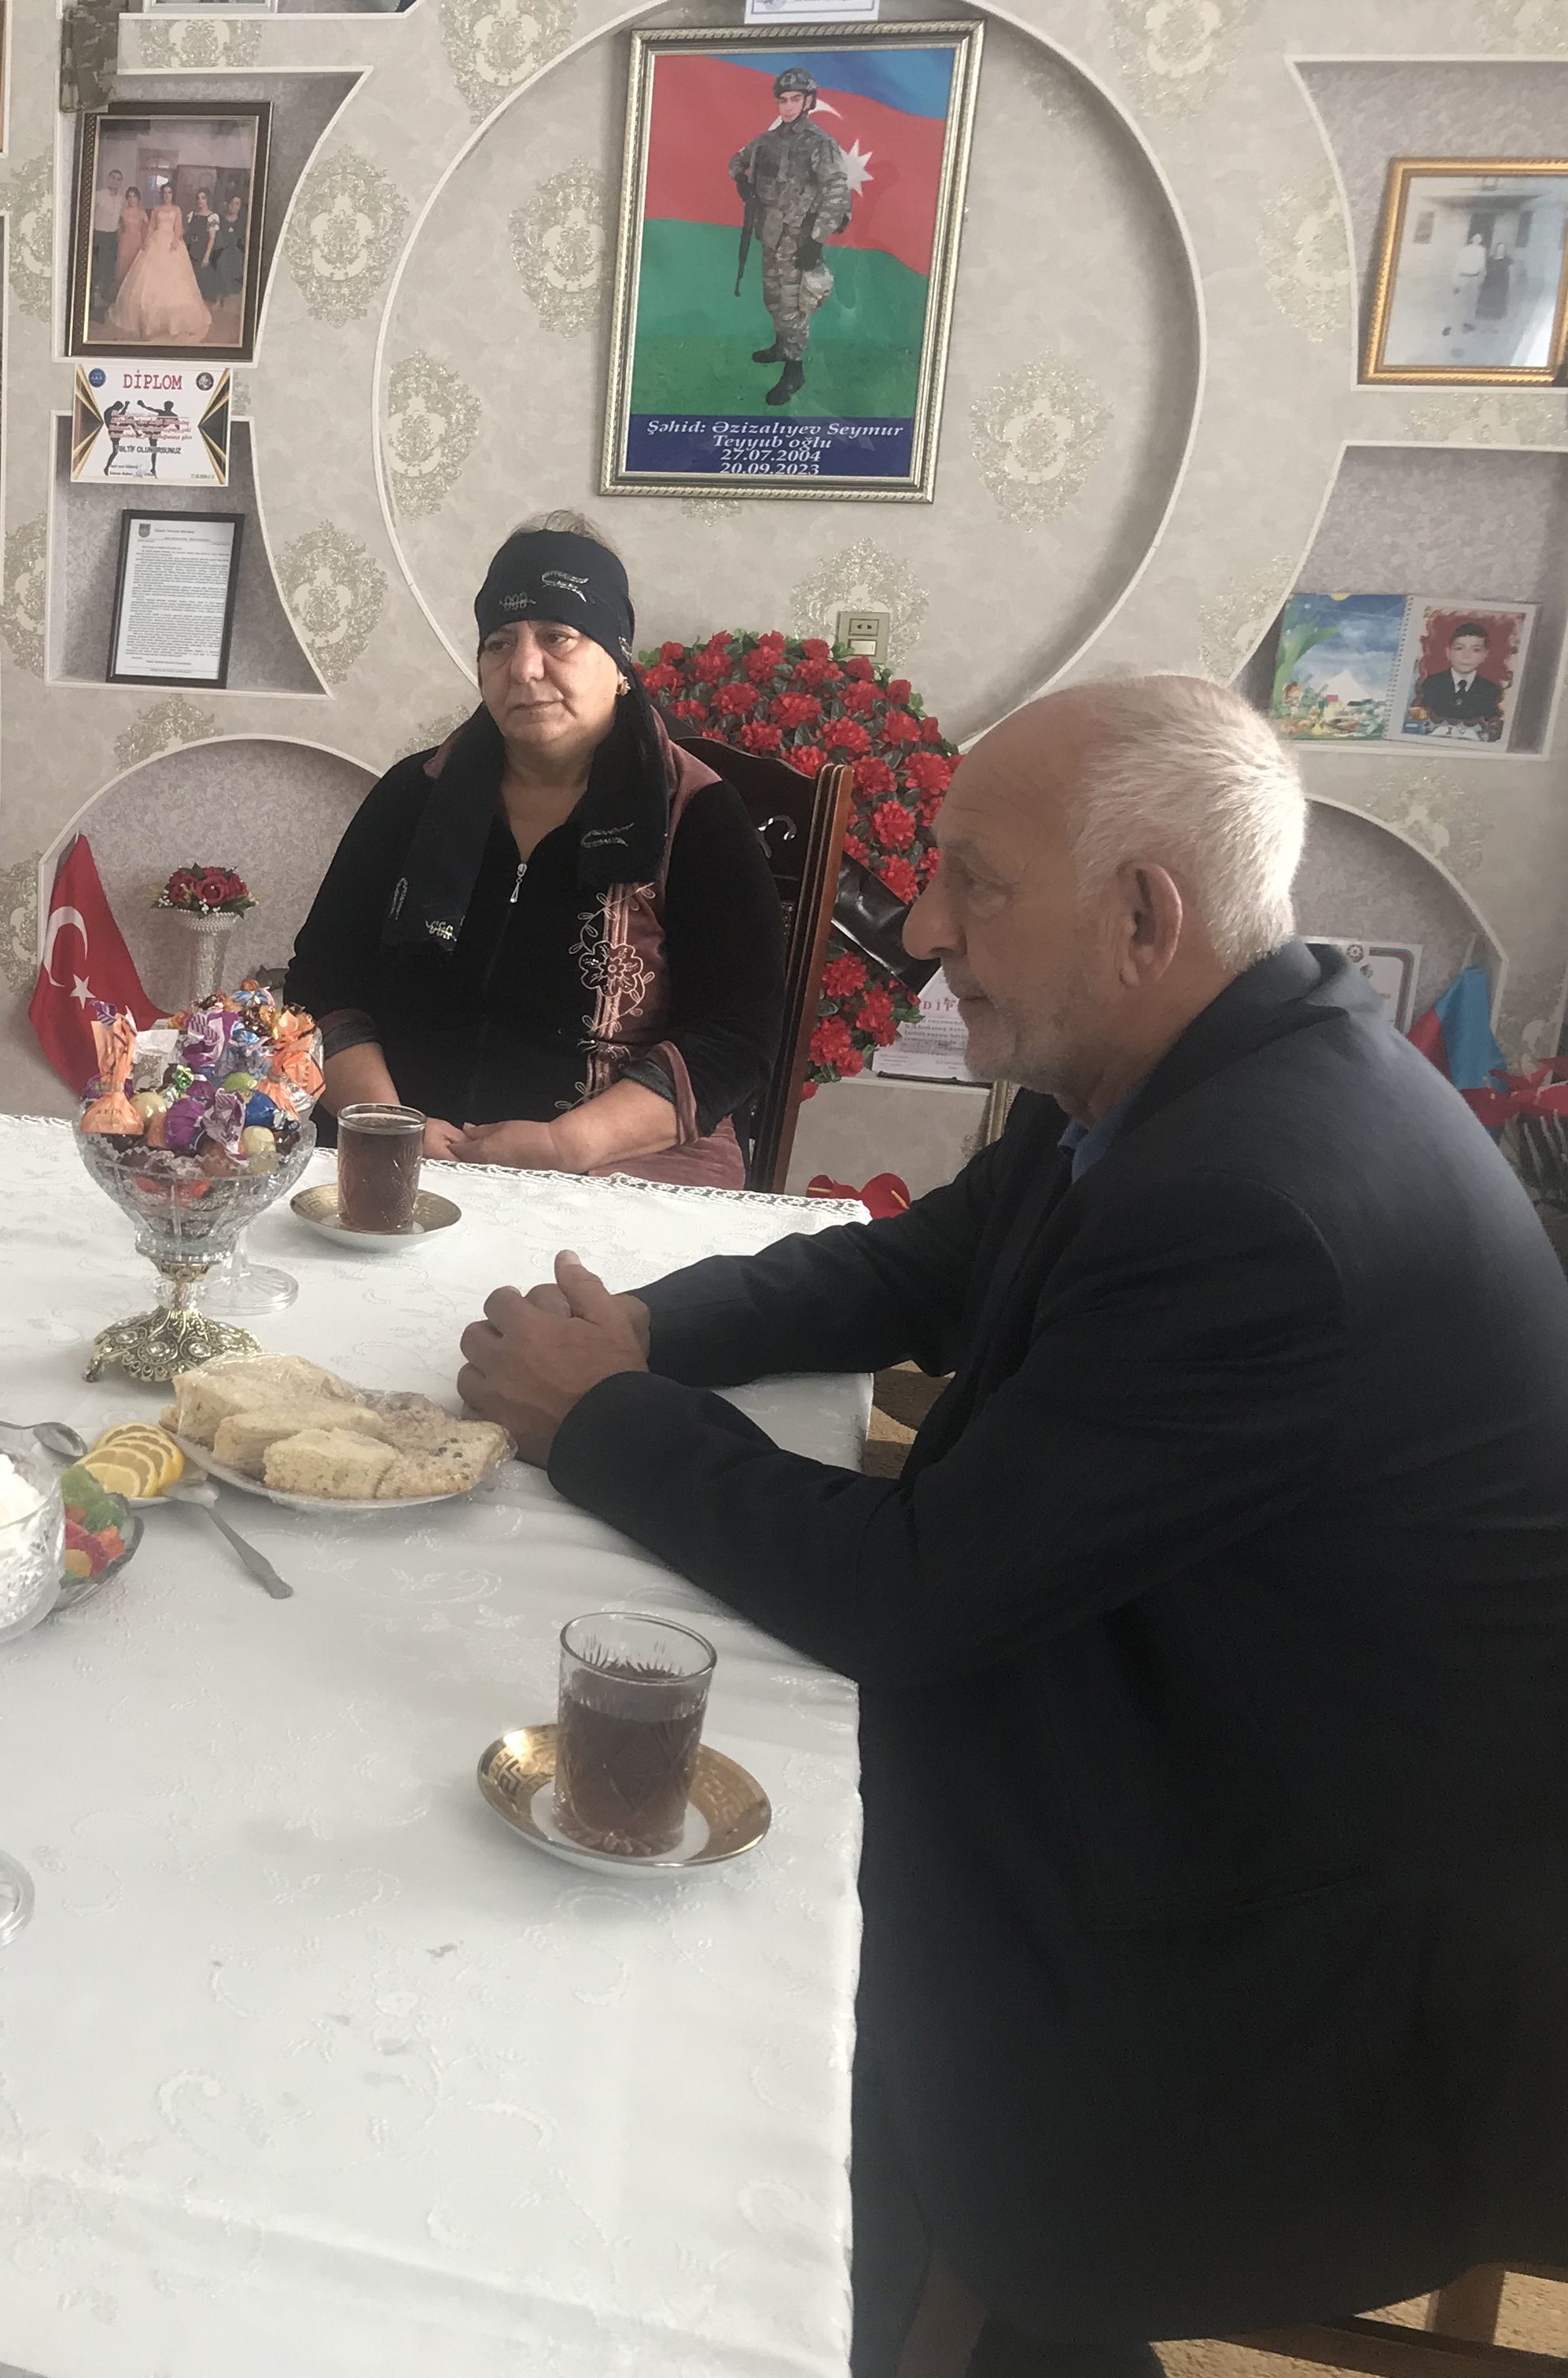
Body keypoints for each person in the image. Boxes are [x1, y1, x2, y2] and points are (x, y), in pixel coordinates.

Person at [455, 675, 1568, 2374]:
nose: (920, 925)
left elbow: (911, 1594)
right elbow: (920, 1264)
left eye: (973, 880)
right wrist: (642, 1332)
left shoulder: (1260, 1202)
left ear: (1142, 917)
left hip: (1312, 1942)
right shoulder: (1190, 1059)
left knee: (731, 1928)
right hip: (1205, 1722)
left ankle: (929, 2315)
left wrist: (599, 1414)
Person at [285, 518, 785, 1186]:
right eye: (499, 643)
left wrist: (567, 1145)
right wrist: (386, 1122)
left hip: (617, 1163)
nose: (523, 668)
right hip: (407, 1145)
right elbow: (324, 978)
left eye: (557, 636)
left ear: (619, 663)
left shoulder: (695, 813)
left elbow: (739, 1035)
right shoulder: (415, 794)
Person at [730, 65, 851, 409]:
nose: (788, 106)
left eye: (795, 99)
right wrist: (742, 181)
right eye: (783, 100)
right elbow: (737, 161)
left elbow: (836, 192)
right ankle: (782, 347)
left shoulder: (820, 143)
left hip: (800, 239)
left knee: (794, 306)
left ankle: (794, 370)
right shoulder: (767, 141)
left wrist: (816, 240)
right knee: (774, 299)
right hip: (772, 234)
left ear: (809, 101)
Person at [105, 175, 215, 345]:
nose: (167, 195)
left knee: (174, 279)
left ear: (173, 195)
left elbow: (179, 228)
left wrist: (175, 240)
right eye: (164, 193)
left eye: (169, 193)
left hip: (171, 242)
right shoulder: (156, 209)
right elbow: (151, 227)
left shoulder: (177, 209)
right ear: (162, 194)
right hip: (156, 240)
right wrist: (146, 241)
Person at [1410, 619, 1506, 734]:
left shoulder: (1492, 691)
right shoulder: (1431, 684)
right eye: (1459, 648)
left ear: (1485, 655)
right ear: (1448, 653)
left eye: (1476, 650)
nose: (1466, 656)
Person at [91, 168, 127, 307]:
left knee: (108, 270)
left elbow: (121, 221)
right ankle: (93, 300)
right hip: (99, 235)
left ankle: (102, 298)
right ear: (108, 178)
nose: (115, 181)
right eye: (113, 178)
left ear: (121, 182)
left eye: (118, 179)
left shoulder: (121, 200)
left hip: (112, 237)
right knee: (97, 269)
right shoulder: (98, 195)